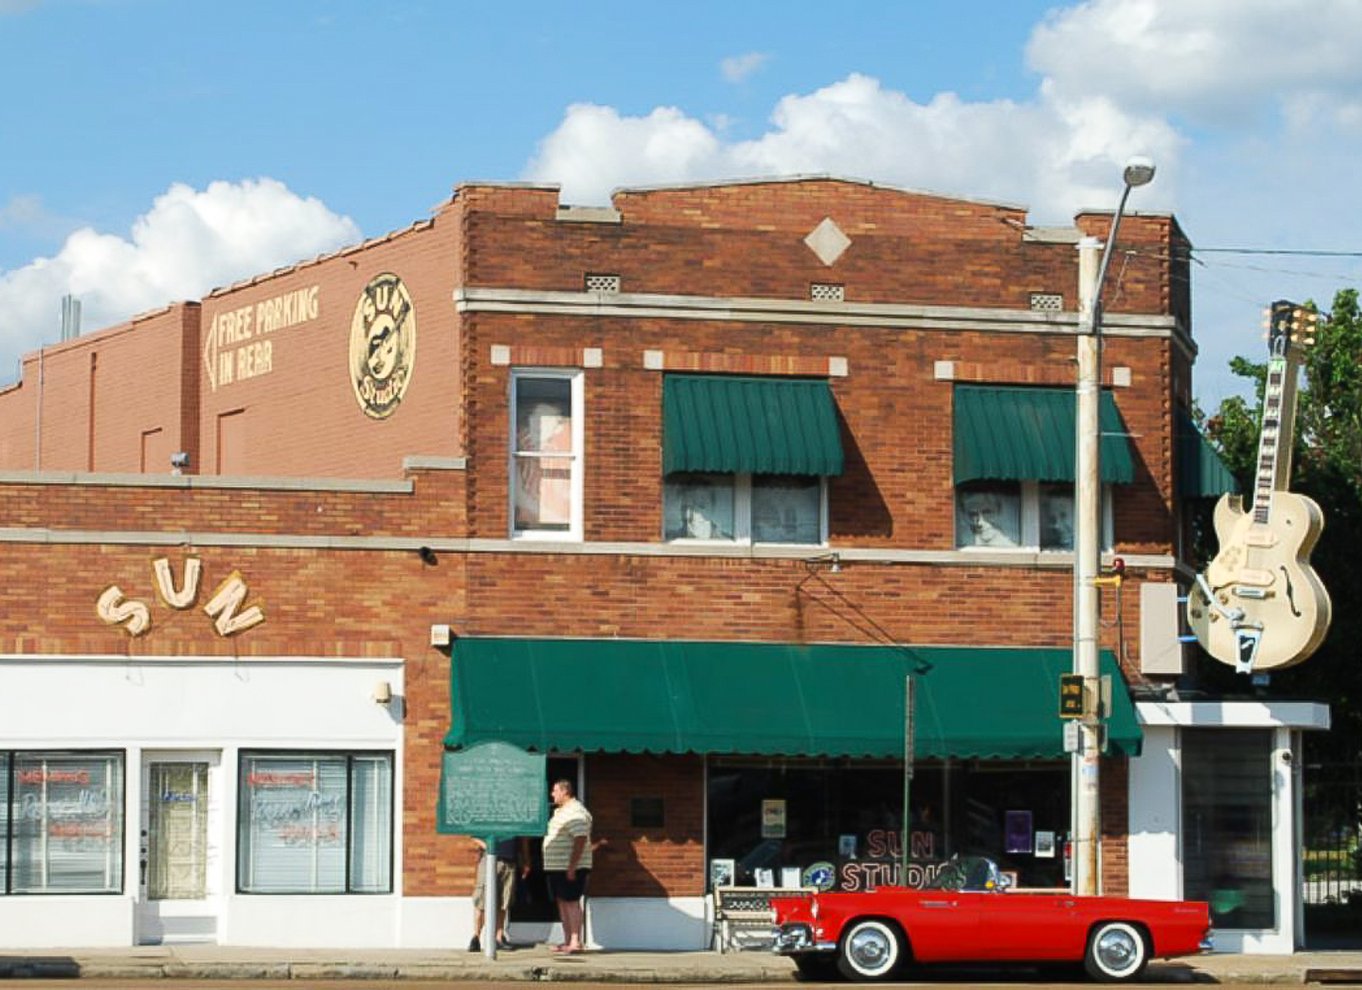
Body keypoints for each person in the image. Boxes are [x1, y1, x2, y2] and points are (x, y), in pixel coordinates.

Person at [542, 779, 593, 954]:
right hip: (558, 866)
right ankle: (567, 940)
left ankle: (575, 941)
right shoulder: (561, 812)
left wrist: (572, 866)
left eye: (555, 791)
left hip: (569, 867)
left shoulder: (575, 811)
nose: (552, 794)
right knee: (562, 902)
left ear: (565, 792)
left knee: (571, 902)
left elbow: (580, 838)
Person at [469, 836, 523, 952]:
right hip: (489, 859)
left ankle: (499, 937)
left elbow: (523, 839)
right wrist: (487, 846)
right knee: (481, 901)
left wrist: (525, 859)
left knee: (504, 901)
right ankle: (476, 937)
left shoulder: (516, 818)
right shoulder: (488, 816)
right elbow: (472, 833)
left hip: (510, 861)